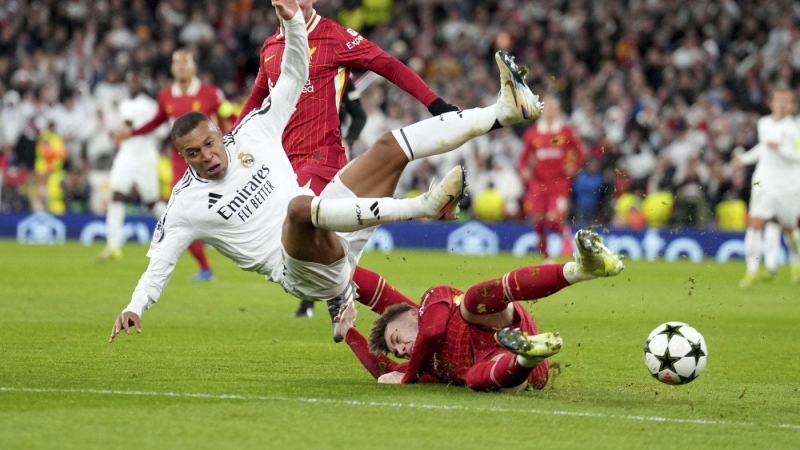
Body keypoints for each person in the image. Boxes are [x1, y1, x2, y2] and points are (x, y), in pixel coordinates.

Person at [108, 0, 544, 344]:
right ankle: (422, 208)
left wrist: (294, 23)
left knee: (390, 147)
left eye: (210, 142)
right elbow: (160, 262)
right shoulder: (185, 202)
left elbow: (299, 75)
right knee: (302, 209)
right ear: (183, 159)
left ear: (220, 134)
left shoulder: (260, 122)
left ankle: (503, 112)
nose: (207, 155)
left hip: (324, 189)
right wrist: (135, 306)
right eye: (194, 153)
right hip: (295, 268)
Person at [234, 0, 459, 320]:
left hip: (322, 156)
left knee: (303, 229)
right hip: (285, 165)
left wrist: (433, 102)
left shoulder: (333, 36)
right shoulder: (271, 46)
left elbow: (388, 64)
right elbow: (258, 98)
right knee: (320, 252)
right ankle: (395, 313)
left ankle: (347, 296)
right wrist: (233, 143)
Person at [337, 229, 624, 392]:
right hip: (517, 371)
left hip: (499, 323)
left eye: (397, 339)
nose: (400, 351)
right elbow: (383, 370)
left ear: (414, 314)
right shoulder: (423, 366)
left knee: (473, 301)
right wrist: (348, 331)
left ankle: (581, 269)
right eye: (397, 351)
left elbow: (433, 330)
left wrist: (335, 267)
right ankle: (527, 355)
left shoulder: (433, 300)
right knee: (474, 379)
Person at [111, 49, 227, 281]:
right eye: (177, 63)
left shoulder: (211, 94)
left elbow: (227, 119)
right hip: (181, 165)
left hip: (211, 161)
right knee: (181, 216)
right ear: (172, 69)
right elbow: (156, 122)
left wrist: (228, 142)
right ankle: (205, 268)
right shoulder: (165, 96)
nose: (181, 66)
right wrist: (132, 133)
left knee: (220, 208)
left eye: (186, 62)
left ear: (194, 67)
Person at [732, 85, 800, 287]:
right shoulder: (763, 123)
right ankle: (751, 272)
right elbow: (763, 148)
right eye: (778, 101)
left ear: (792, 105)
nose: (781, 105)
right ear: (771, 103)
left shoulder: (795, 128)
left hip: (788, 185)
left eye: (786, 101)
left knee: (790, 229)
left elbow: (797, 155)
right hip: (764, 181)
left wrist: (781, 149)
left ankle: (796, 264)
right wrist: (743, 159)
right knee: (755, 223)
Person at [97, 71, 168, 261]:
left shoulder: (150, 104)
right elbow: (121, 129)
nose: (132, 84)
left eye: (136, 81)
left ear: (142, 83)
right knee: (116, 195)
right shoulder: (124, 104)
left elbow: (162, 130)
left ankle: (182, 230)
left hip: (145, 155)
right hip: (126, 155)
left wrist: (138, 128)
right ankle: (113, 246)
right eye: (129, 81)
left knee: (151, 202)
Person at [518, 94, 585, 262]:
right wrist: (524, 170)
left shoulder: (566, 132)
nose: (549, 111)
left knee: (554, 219)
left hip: (559, 182)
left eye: (552, 108)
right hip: (538, 183)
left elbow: (580, 153)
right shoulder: (532, 133)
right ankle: (546, 257)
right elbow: (523, 158)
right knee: (538, 221)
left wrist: (573, 166)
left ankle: (565, 234)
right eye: (546, 107)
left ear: (558, 111)